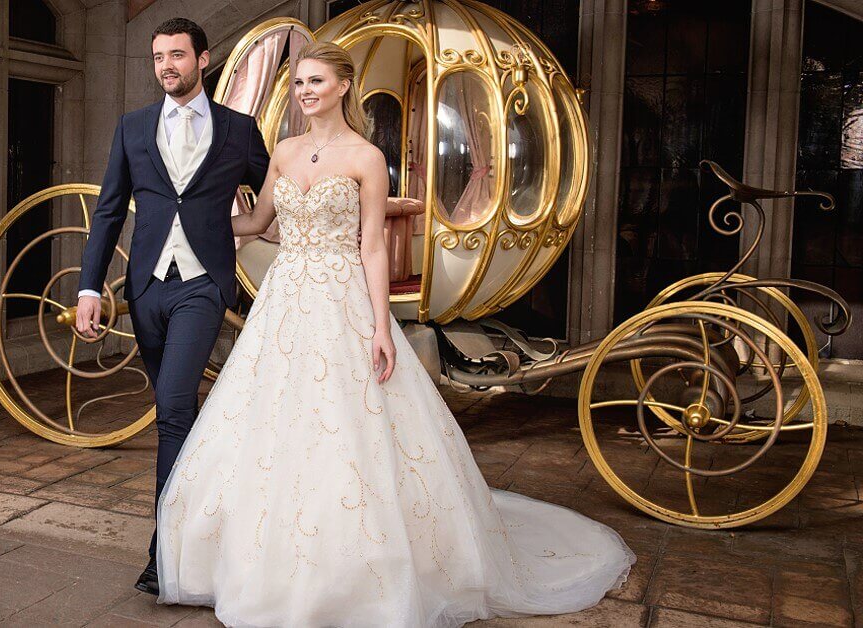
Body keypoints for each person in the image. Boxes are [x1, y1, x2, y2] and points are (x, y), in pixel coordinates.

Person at [153, 41, 636, 627]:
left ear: (343, 86)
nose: (304, 92)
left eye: (315, 81)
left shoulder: (366, 157)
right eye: (299, 82)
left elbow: (373, 246)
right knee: (270, 417)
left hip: (342, 298)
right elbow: (258, 222)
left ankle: (357, 563)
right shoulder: (283, 150)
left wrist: (381, 326)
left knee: (347, 421)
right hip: (283, 300)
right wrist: (187, 217)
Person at [74, 17, 269, 596]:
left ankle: (164, 556)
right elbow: (109, 211)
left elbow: (281, 193)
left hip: (202, 287)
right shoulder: (132, 127)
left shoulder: (239, 130)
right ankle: (208, 528)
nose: (166, 66)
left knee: (175, 409)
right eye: (159, 57)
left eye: (177, 55)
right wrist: (89, 288)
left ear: (202, 59)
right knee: (175, 412)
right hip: (146, 290)